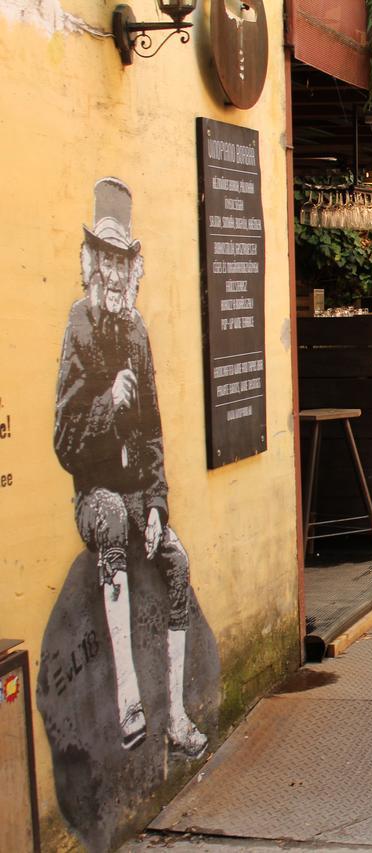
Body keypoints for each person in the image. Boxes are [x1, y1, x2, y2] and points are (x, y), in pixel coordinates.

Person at [53, 178, 208, 757]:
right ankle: (128, 704)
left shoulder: (138, 331)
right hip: (94, 495)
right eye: (106, 260)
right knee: (113, 513)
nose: (115, 275)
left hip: (138, 496)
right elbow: (63, 441)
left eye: (123, 262)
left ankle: (175, 714)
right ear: (92, 263)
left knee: (177, 559)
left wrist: (159, 505)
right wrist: (104, 407)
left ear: (130, 266)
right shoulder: (78, 325)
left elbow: (155, 433)